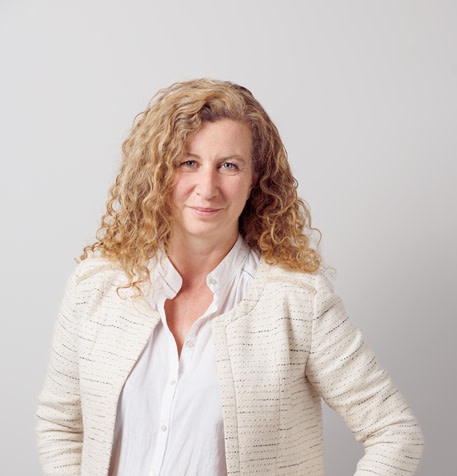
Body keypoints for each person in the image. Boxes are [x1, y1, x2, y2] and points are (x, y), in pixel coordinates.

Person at [36, 78, 424, 476]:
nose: (207, 188)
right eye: (188, 162)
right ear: (156, 172)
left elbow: (394, 431)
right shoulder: (95, 286)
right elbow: (60, 424)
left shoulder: (297, 303)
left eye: (229, 166)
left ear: (255, 177)